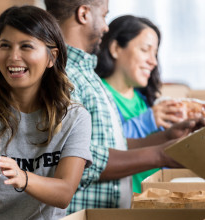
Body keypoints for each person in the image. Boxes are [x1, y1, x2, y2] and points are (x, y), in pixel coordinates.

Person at [45, 0, 205, 213]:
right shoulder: (63, 77)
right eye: (103, 15)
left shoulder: (86, 74)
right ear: (83, 14)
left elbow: (109, 146)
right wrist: (161, 154)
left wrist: (167, 138)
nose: (106, 26)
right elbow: (79, 160)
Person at [0, 5, 93, 220]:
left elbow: (65, 193)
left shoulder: (74, 118)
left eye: (26, 46)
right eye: (5, 46)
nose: (13, 57)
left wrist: (23, 177)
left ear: (52, 57)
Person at [94, 15, 185, 193]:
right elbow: (103, 148)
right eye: (145, 50)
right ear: (115, 48)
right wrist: (148, 121)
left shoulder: (143, 100)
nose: (153, 61)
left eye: (155, 53)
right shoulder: (98, 94)